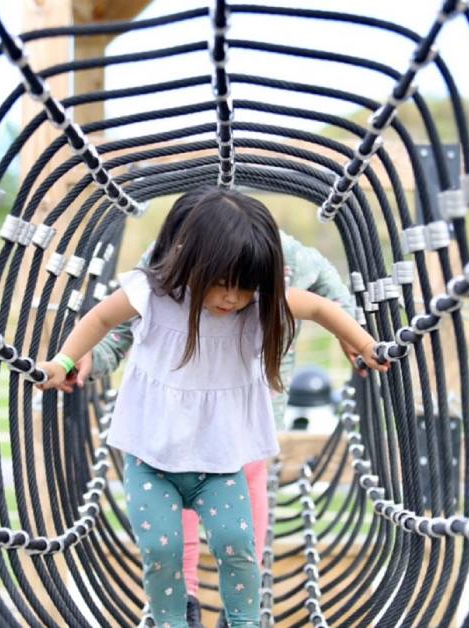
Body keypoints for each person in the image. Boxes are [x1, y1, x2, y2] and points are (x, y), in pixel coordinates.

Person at [36, 188, 387, 628]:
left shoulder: (258, 304)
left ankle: (243, 620)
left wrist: (363, 343)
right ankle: (174, 617)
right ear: (192, 262)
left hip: (222, 461)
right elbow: (102, 320)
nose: (231, 298)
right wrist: (64, 361)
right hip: (152, 457)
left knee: (238, 543)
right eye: (222, 283)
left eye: (244, 287)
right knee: (161, 549)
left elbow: (319, 304)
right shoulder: (152, 292)